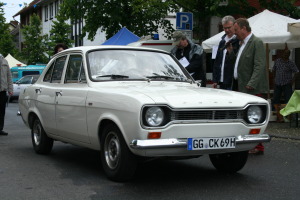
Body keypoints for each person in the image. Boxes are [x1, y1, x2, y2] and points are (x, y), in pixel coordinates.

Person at [232, 18, 269, 155]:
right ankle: (249, 143)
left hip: (252, 88)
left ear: (243, 28)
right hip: (241, 86)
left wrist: (251, 84)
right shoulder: (242, 44)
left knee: (254, 117)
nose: (235, 33)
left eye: (236, 30)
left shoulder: (256, 42)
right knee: (245, 117)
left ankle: (258, 146)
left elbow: (259, 65)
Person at [213, 16, 239, 90]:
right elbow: (217, 61)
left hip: (232, 80)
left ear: (234, 26)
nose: (227, 30)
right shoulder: (222, 41)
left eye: (229, 27)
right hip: (221, 80)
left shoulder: (238, 41)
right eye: (225, 28)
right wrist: (215, 79)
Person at [272, 49, 299, 122]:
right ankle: (279, 116)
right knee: (276, 99)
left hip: (287, 83)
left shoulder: (290, 63)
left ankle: (287, 116)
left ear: (289, 55)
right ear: (283, 53)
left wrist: (292, 81)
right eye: (284, 53)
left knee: (288, 100)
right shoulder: (278, 61)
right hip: (278, 83)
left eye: (287, 54)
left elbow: (297, 72)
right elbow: (273, 70)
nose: (285, 55)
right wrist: (274, 79)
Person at [0, 54, 13, 136]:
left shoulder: (4, 61)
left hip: (2, 90)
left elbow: (9, 76)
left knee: (2, 111)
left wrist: (10, 89)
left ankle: (0, 129)